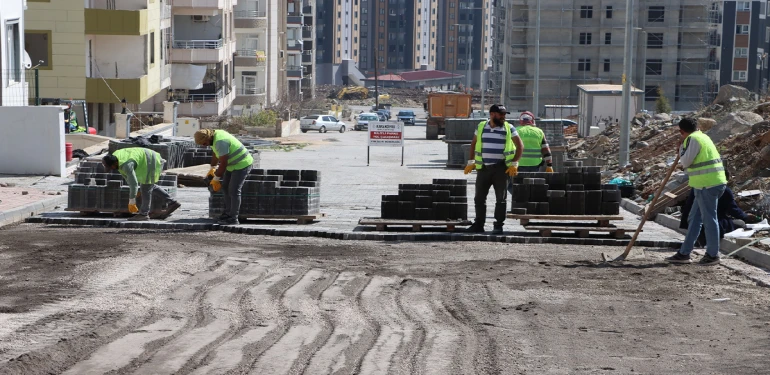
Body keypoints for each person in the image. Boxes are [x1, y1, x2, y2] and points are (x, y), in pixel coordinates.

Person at [667, 117, 727, 265]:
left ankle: (713, 255)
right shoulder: (703, 136)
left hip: (708, 185)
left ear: (682, 131)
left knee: (709, 220)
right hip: (707, 184)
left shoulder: (692, 139)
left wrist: (680, 148)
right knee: (695, 218)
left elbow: (686, 161)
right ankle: (684, 253)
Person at [464, 104, 524, 234]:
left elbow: (520, 146)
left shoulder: (509, 128)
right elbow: (474, 143)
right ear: (492, 114)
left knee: (500, 199)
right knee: (479, 198)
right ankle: (479, 224)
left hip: (501, 169)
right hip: (483, 168)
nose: (503, 117)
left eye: (504, 114)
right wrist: (471, 161)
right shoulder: (481, 126)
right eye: (500, 114)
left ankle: (498, 226)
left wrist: (514, 163)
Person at [102, 148, 181, 221]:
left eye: (111, 167)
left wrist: (132, 200)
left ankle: (144, 214)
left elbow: (134, 183)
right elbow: (127, 177)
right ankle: (172, 202)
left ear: (115, 163)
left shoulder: (127, 165)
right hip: (146, 158)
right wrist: (134, 192)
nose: (111, 169)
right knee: (149, 186)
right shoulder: (116, 158)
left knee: (145, 188)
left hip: (151, 160)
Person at [194, 129, 254, 225]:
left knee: (234, 190)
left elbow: (223, 163)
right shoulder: (214, 137)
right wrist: (212, 167)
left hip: (242, 163)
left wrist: (216, 179)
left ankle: (233, 218)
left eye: (204, 143)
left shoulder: (220, 141)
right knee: (225, 187)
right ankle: (227, 214)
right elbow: (215, 153)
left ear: (208, 138)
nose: (204, 145)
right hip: (232, 165)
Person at [679, 180, 760, 246]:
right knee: (741, 223)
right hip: (714, 223)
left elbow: (688, 206)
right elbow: (733, 210)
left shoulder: (697, 187)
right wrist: (746, 216)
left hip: (695, 223)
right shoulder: (723, 189)